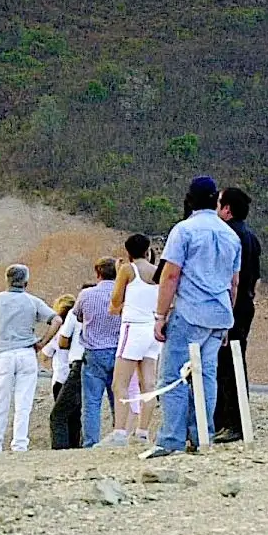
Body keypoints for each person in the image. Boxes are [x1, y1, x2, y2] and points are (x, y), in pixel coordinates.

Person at [146, 176, 241, 458]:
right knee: (206, 376)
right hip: (220, 313)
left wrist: (160, 315)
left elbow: (170, 274)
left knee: (173, 376)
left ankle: (171, 439)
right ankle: (202, 434)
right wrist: (228, 319)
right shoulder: (230, 235)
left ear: (190, 200)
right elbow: (234, 282)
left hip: (190, 312)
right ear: (215, 201)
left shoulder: (184, 230)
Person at [0, 264, 60, 453]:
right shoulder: (32, 301)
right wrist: (42, 342)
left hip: (3, 354)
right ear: (25, 281)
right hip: (26, 352)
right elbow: (56, 320)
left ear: (7, 280)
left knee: (0, 400)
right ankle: (19, 444)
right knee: (23, 402)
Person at [212, 188, 261, 443]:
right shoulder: (251, 236)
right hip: (245, 306)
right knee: (235, 360)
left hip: (231, 308)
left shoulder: (229, 236)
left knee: (226, 365)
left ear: (227, 209)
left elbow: (232, 277)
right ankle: (234, 421)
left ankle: (231, 423)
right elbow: (256, 279)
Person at [103, 235, 159, 446]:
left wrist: (119, 274)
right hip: (152, 328)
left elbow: (116, 300)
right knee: (149, 383)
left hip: (133, 327)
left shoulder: (127, 270)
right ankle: (142, 432)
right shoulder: (157, 271)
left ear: (128, 251)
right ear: (147, 250)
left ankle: (119, 432)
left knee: (120, 383)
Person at [72, 257, 121, 447]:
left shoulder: (86, 294)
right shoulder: (122, 293)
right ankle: (120, 435)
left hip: (93, 351)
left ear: (97, 273)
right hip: (118, 350)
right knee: (118, 397)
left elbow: (77, 315)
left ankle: (91, 442)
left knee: (92, 402)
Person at [46, 289, 86, 449]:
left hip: (61, 377)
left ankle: (60, 447)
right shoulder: (80, 328)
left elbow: (45, 354)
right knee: (75, 415)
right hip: (79, 373)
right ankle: (75, 445)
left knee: (59, 414)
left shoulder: (59, 333)